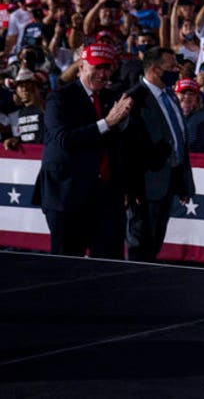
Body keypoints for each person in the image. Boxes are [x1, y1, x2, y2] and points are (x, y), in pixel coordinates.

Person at [34, 44, 134, 258]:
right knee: (66, 266)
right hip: (68, 195)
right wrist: (107, 122)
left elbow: (118, 146)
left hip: (107, 197)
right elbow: (65, 139)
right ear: (81, 67)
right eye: (97, 68)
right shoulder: (59, 98)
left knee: (108, 266)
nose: (102, 74)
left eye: (107, 68)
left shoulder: (111, 97)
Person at [121, 47, 196, 262]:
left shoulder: (169, 95)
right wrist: (129, 186)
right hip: (144, 186)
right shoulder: (135, 98)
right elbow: (126, 147)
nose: (177, 71)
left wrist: (182, 180)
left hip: (168, 181)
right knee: (139, 244)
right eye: (171, 67)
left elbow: (178, 138)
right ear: (155, 70)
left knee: (154, 242)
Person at [176, 77, 204, 154]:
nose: (187, 97)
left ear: (198, 98)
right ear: (175, 96)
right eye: (183, 93)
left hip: (201, 163)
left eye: (191, 94)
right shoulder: (168, 118)